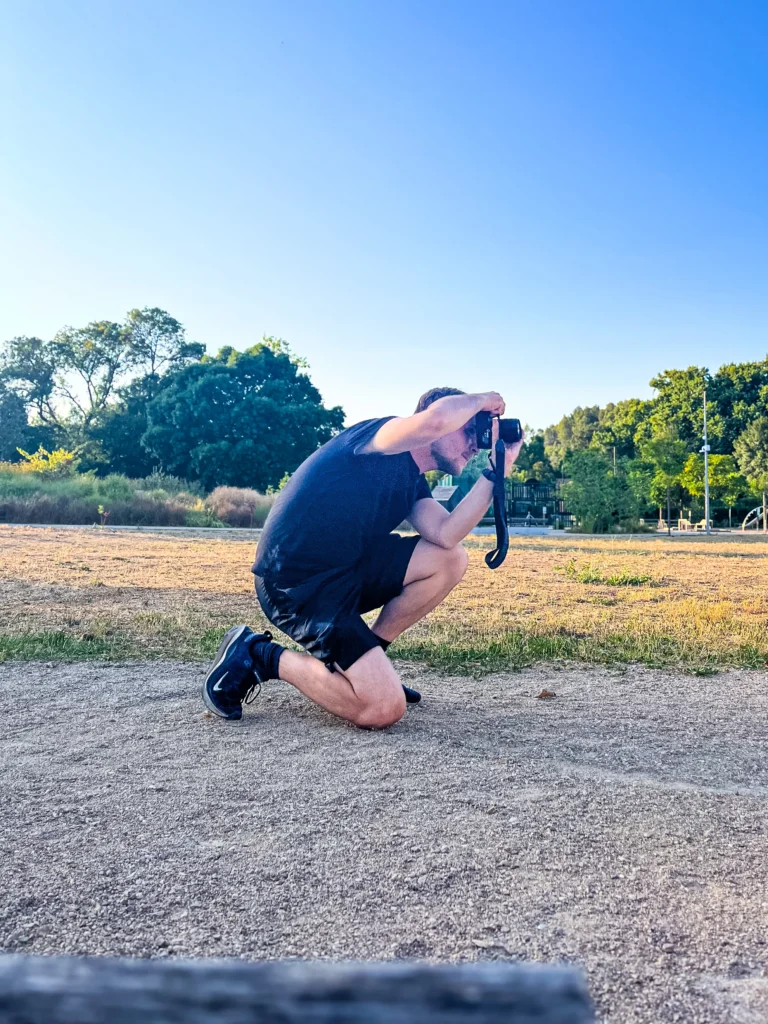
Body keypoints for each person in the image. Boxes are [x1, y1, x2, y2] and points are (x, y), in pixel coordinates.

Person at [202, 387, 523, 728]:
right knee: (383, 708)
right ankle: (258, 655)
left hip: (346, 573)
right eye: (470, 430)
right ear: (435, 418)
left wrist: (497, 470)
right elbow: (435, 420)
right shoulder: (376, 439)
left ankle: (371, 654)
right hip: (295, 586)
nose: (476, 444)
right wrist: (481, 399)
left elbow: (447, 532)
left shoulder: (412, 484)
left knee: (450, 558)